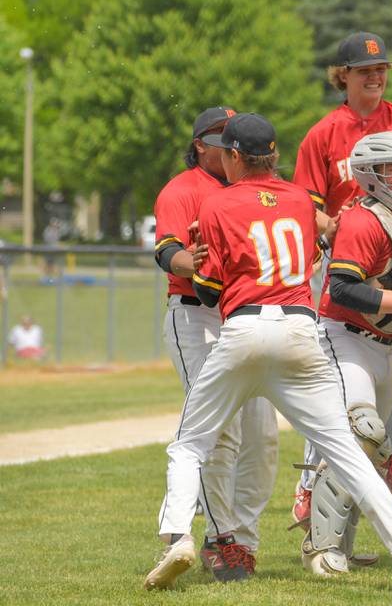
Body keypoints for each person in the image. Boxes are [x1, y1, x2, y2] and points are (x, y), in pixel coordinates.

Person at [144, 113, 392, 593]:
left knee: (190, 444)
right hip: (302, 330)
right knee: (346, 450)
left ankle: (179, 537)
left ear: (235, 156)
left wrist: (204, 270)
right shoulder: (300, 199)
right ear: (276, 155)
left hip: (241, 329)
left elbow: (207, 290)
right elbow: (316, 245)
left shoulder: (220, 202)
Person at [291, 31, 392, 524]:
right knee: (333, 382)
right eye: (365, 70)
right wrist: (328, 226)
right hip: (347, 263)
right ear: (344, 76)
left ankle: (386, 448)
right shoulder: (324, 133)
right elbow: (307, 202)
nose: (376, 76)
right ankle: (311, 480)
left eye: (381, 69)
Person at [299, 131, 392, 575]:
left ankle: (344, 540)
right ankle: (321, 549)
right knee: (357, 434)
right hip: (345, 337)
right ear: (370, 175)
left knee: (375, 448)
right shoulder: (366, 220)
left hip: (384, 344)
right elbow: (342, 287)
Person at [152, 106, 279, 582]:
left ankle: (244, 538)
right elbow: (167, 251)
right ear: (201, 145)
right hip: (196, 315)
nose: (230, 146)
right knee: (219, 430)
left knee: (263, 435)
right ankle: (220, 538)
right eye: (220, 138)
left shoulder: (248, 187)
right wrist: (195, 263)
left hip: (247, 316)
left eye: (234, 139)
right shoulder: (182, 190)